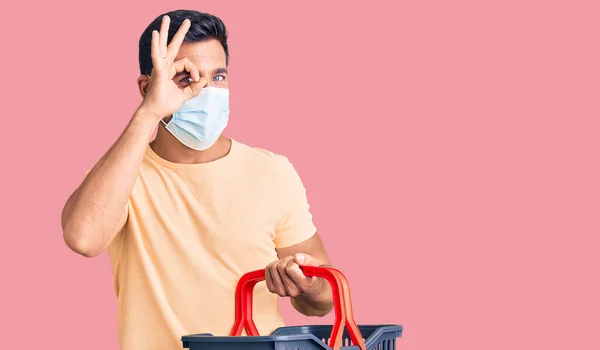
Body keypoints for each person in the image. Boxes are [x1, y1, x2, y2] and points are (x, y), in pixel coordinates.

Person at [60, 9, 334, 350]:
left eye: (217, 77)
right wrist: (149, 112)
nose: (206, 91)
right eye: (186, 78)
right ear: (148, 87)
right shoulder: (122, 174)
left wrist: (307, 285)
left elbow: (324, 300)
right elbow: (83, 238)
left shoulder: (272, 171)